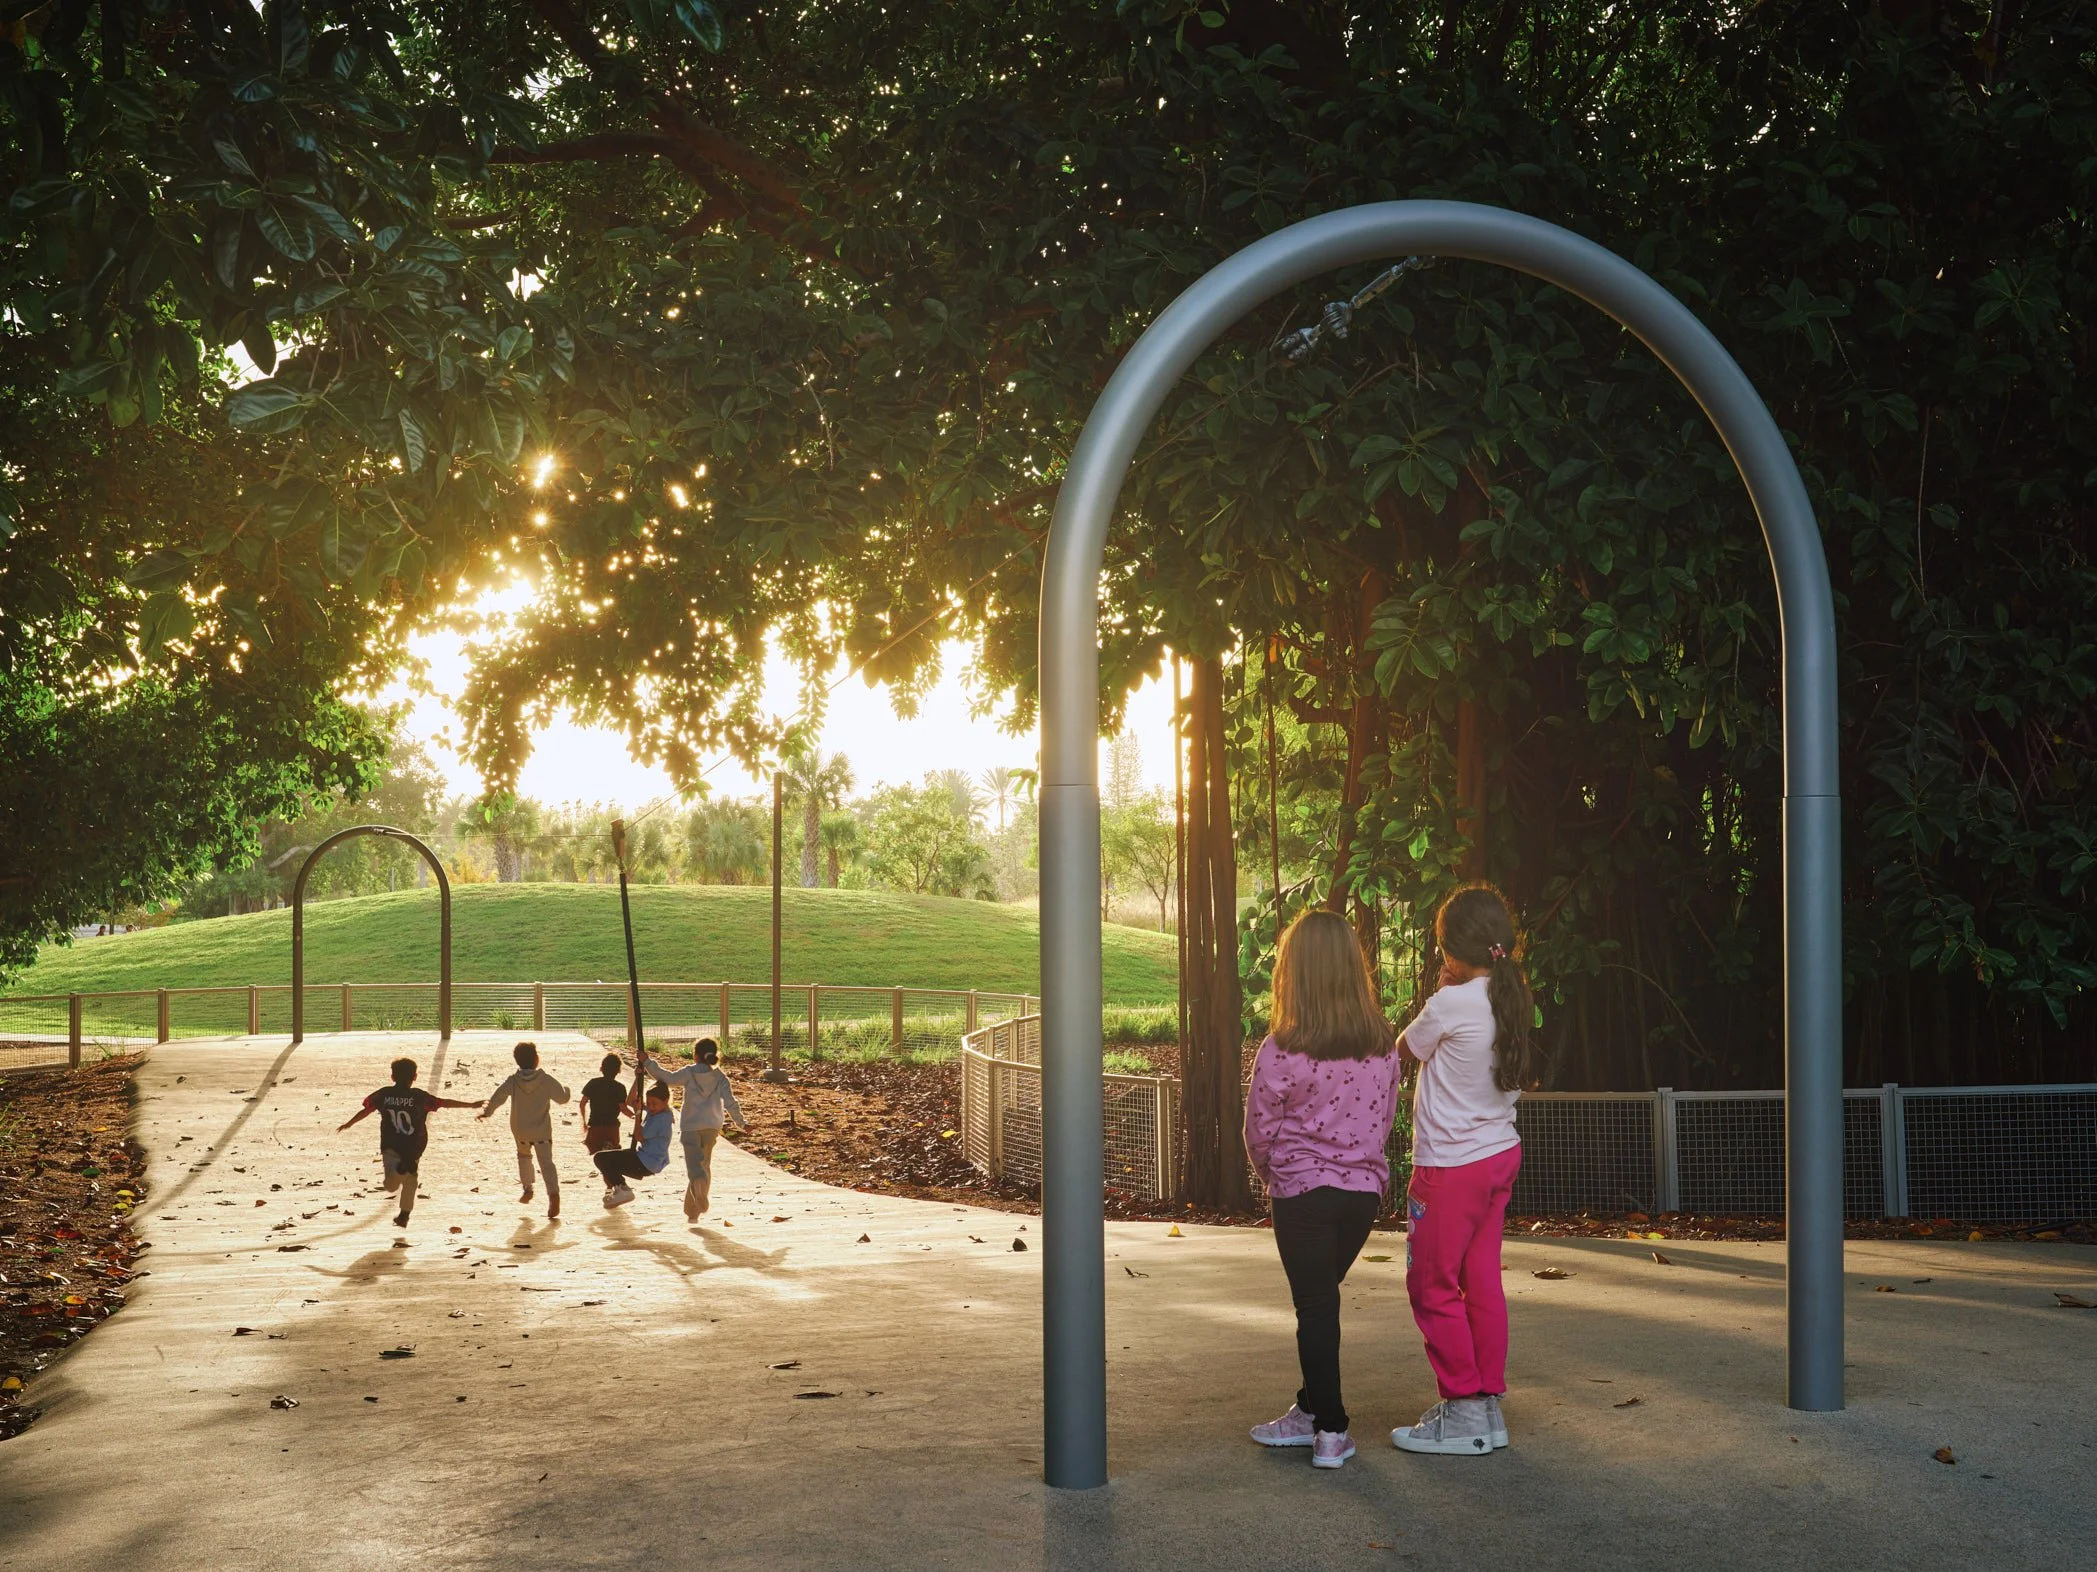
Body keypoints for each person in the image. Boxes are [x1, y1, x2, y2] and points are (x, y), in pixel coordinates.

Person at [1243, 909, 1401, 1471]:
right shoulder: (1383, 1045)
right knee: (1320, 1301)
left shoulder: (1282, 1047)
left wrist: (1274, 1175)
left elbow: (1259, 1128)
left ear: (1295, 972)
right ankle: (1309, 1409)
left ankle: (1330, 1430)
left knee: (1315, 1306)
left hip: (1301, 1193)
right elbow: (1384, 1118)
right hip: (1361, 1196)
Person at [1390, 884, 1539, 1458]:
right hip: (1499, 1156)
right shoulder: (1511, 995)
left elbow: (1406, 1047)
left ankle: (1463, 1411)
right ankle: (1486, 1405)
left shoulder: (1449, 1002)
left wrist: (1442, 992)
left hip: (1450, 1169)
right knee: (1480, 1282)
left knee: (1430, 1285)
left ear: (1452, 951)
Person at [336, 1057, 482, 1227]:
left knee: (390, 1185)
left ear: (392, 1077)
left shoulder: (383, 1094)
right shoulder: (419, 1097)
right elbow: (443, 1103)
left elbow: (367, 1109)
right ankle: (404, 1214)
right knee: (411, 1179)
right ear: (414, 1077)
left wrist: (349, 1123)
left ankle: (399, 1173)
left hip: (391, 1145)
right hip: (414, 1145)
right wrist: (471, 1105)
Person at [640, 1037, 749, 1220]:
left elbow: (667, 1078)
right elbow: (730, 1102)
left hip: (691, 1126)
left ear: (695, 1056)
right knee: (704, 1165)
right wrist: (742, 1123)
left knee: (694, 1167)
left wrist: (647, 1062)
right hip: (712, 1127)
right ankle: (693, 1211)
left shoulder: (689, 1073)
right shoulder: (720, 1077)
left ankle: (695, 1203)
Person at [478, 1041, 572, 1221]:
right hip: (542, 1132)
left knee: (523, 1156)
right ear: (537, 1060)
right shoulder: (546, 1080)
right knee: (546, 1163)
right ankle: (553, 1195)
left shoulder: (513, 1081)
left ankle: (528, 1188)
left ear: (517, 1061)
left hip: (520, 1130)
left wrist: (487, 1112)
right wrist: (567, 1090)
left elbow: (498, 1097)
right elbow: (562, 1098)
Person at [593, 1082, 674, 1208]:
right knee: (608, 1161)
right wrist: (637, 1079)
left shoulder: (662, 1119)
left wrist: (637, 1114)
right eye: (649, 1103)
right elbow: (630, 1101)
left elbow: (639, 1136)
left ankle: (623, 1189)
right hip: (643, 1157)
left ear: (666, 1101)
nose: (651, 1107)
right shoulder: (656, 1112)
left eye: (655, 1104)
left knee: (600, 1158)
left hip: (646, 1162)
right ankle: (620, 1189)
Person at [579, 1053, 632, 1156]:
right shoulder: (620, 1088)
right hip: (612, 1127)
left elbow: (582, 1104)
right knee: (613, 1154)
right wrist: (635, 1116)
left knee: (595, 1152)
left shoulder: (593, 1083)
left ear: (601, 1068)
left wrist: (584, 1122)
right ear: (618, 1071)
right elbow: (623, 1109)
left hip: (595, 1125)